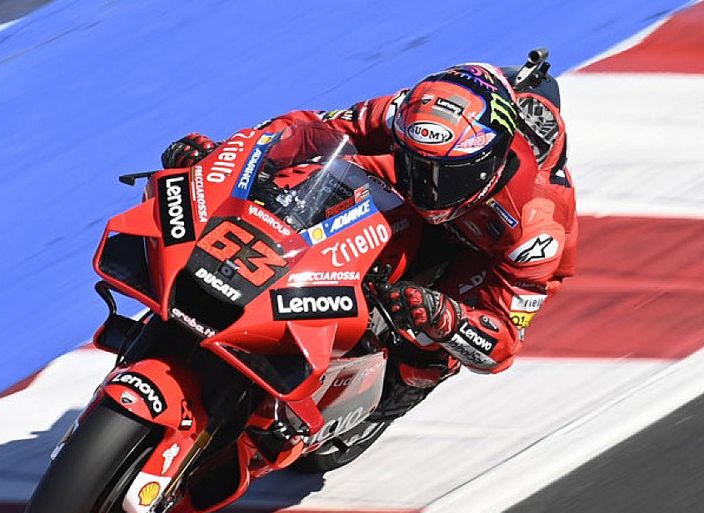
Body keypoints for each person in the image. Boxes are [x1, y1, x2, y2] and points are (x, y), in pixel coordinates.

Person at [160, 53, 578, 422]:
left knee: (427, 342)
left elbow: (501, 344)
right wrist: (226, 157)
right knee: (302, 178)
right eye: (416, 164)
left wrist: (448, 318)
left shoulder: (537, 226)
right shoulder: (399, 115)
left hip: (483, 250)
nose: (427, 187)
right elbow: (308, 130)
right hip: (397, 195)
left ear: (490, 163)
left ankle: (388, 397)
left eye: (446, 176)